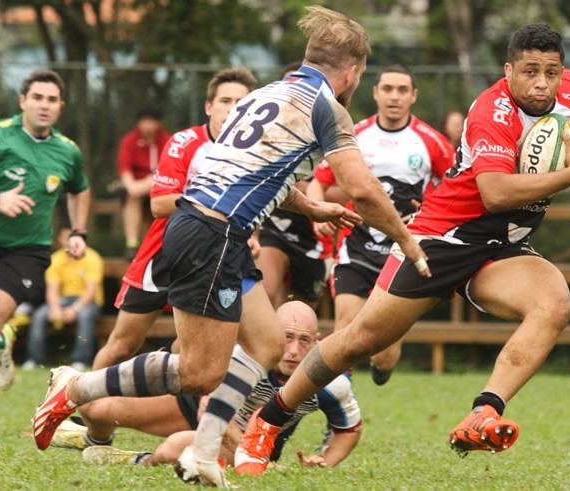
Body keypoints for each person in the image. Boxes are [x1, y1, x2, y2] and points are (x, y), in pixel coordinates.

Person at [33, 6, 428, 488]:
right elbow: (362, 188)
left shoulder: (270, 92)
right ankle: (75, 386)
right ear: (352, 71)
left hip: (212, 229)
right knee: (200, 372)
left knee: (265, 344)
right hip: (211, 234)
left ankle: (202, 454)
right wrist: (408, 240)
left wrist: (314, 209)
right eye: (361, 77)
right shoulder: (329, 107)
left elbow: (258, 173)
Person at [233, 22, 570, 477]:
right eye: (529, 71)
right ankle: (267, 421)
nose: (541, 83)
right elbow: (496, 193)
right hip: (441, 238)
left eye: (552, 72)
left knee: (554, 302)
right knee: (361, 341)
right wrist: (569, 174)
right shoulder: (492, 111)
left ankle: (485, 411)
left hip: (500, 248)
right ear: (508, 71)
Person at [51, 301, 361, 470]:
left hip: (237, 443)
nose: (293, 350)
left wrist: (326, 462)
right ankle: (94, 440)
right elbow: (207, 411)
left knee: (175, 448)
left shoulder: (328, 382)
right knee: (93, 406)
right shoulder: (247, 358)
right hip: (206, 412)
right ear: (271, 335)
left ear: (316, 343)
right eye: (286, 337)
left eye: (304, 341)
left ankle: (134, 460)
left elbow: (349, 429)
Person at [93, 68, 259, 370]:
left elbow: (252, 205)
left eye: (241, 103)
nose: (233, 108)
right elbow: (159, 203)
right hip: (163, 253)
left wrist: (253, 237)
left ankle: (170, 408)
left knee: (190, 350)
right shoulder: (185, 142)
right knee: (122, 345)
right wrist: (215, 203)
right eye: (225, 100)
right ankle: (76, 407)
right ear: (209, 106)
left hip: (213, 258)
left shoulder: (254, 154)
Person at [309, 64, 454, 385]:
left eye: (402, 90)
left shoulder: (432, 142)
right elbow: (319, 181)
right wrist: (317, 210)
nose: (394, 96)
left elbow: (458, 188)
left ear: (413, 96)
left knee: (384, 351)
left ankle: (381, 368)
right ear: (375, 93)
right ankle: (339, 417)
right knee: (343, 329)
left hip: (402, 252)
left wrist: (430, 212)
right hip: (356, 247)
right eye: (387, 89)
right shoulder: (353, 135)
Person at [0, 69, 90, 390]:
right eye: (37, 98)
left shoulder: (67, 151)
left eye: (52, 99)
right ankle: (0, 340)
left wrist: (79, 231)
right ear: (22, 101)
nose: (44, 105)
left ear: (60, 107)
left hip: (27, 250)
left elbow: (80, 188)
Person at [257, 62, 331, 309]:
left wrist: (320, 192)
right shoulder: (265, 132)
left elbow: (343, 188)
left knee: (301, 313)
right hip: (274, 225)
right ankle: (263, 345)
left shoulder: (329, 130)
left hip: (313, 235)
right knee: (267, 291)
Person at [24, 228, 104, 370]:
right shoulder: (55, 258)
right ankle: (34, 360)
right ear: (60, 240)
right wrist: (55, 308)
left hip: (88, 302)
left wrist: (75, 309)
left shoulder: (92, 257)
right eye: (67, 238)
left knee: (85, 315)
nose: (71, 242)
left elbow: (91, 291)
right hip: (63, 299)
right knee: (39, 314)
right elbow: (52, 290)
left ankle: (80, 360)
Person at [117, 106, 171, 259]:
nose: (148, 126)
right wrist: (144, 184)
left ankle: (165, 244)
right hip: (138, 188)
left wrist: (154, 182)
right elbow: (125, 173)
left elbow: (172, 171)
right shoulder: (129, 141)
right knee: (131, 196)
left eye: (152, 122)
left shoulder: (168, 140)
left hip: (163, 186)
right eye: (145, 122)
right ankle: (131, 244)